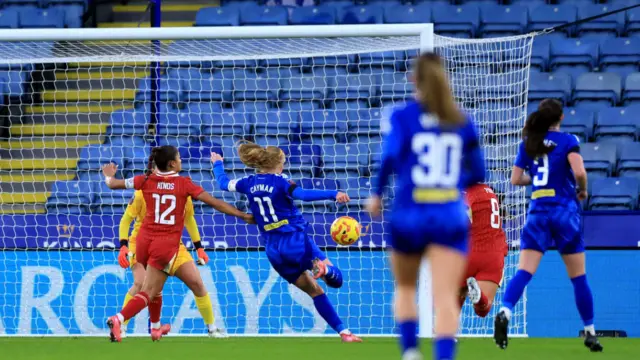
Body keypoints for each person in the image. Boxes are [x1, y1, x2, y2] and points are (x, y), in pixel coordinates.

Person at [366, 52, 485, 360]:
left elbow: (389, 158)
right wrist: (450, 183)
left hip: (409, 213)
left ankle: (410, 353)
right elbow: (479, 173)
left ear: (413, 79)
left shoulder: (402, 115)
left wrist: (377, 195)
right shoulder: (461, 119)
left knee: (406, 288)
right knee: (445, 296)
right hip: (448, 213)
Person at [210, 145, 362, 343]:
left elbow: (223, 183)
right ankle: (324, 271)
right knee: (336, 280)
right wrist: (334, 193)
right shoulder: (281, 182)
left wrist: (218, 164)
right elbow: (304, 195)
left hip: (273, 250)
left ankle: (344, 332)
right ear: (278, 165)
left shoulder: (247, 182)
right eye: (283, 163)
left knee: (315, 291)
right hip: (295, 240)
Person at [102, 145, 254, 342]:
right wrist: (242, 215)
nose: (182, 161)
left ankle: (158, 328)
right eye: (179, 158)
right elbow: (214, 202)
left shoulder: (144, 180)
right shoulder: (184, 184)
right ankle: (119, 319)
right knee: (148, 291)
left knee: (173, 285)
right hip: (166, 245)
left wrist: (108, 176)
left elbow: (113, 184)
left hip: (144, 243)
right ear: (172, 163)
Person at [493, 99, 603, 352]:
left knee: (524, 271)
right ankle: (590, 332)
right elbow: (579, 172)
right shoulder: (568, 140)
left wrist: (540, 180)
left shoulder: (529, 143)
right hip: (564, 213)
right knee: (578, 278)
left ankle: (505, 311)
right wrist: (583, 190)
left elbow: (516, 179)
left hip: (537, 213)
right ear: (561, 118)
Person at [118, 188, 226, 338]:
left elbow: (189, 219)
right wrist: (123, 245)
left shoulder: (181, 191)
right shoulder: (142, 193)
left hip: (173, 245)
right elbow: (126, 219)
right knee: (141, 283)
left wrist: (199, 248)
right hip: (142, 243)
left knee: (196, 282)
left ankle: (212, 329)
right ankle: (121, 326)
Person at [460, 183, 508, 318]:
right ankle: (479, 298)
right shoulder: (490, 192)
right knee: (482, 310)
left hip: (470, 252)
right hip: (494, 255)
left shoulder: (465, 192)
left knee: (453, 304)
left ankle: (445, 334)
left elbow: (463, 216)